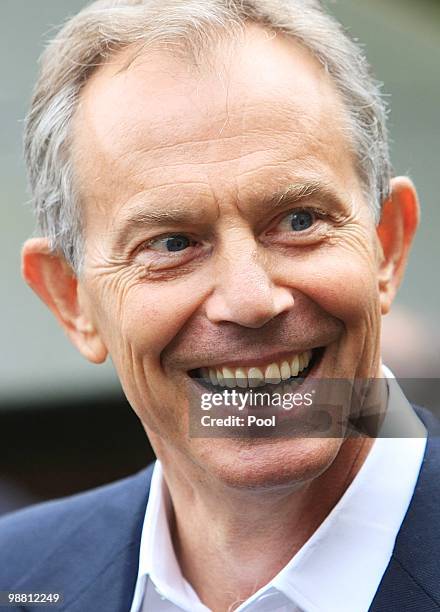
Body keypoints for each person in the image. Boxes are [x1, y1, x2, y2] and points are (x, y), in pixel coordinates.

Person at [0, 1, 438, 611]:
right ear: (72, 300)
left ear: (386, 246)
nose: (251, 300)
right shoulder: (16, 578)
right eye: (172, 243)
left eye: (298, 220)